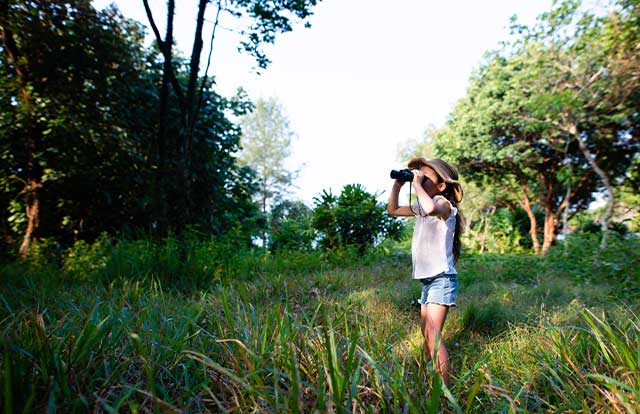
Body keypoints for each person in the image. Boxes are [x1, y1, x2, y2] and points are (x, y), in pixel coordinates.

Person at [387, 157, 464, 385]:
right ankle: (424, 380)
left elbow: (431, 207)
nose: (419, 178)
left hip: (442, 279)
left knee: (433, 336)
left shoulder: (443, 204)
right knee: (427, 335)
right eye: (417, 175)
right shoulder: (422, 207)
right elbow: (392, 209)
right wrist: (399, 185)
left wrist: (417, 185)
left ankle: (443, 392)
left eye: (425, 177)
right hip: (428, 281)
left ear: (441, 185)